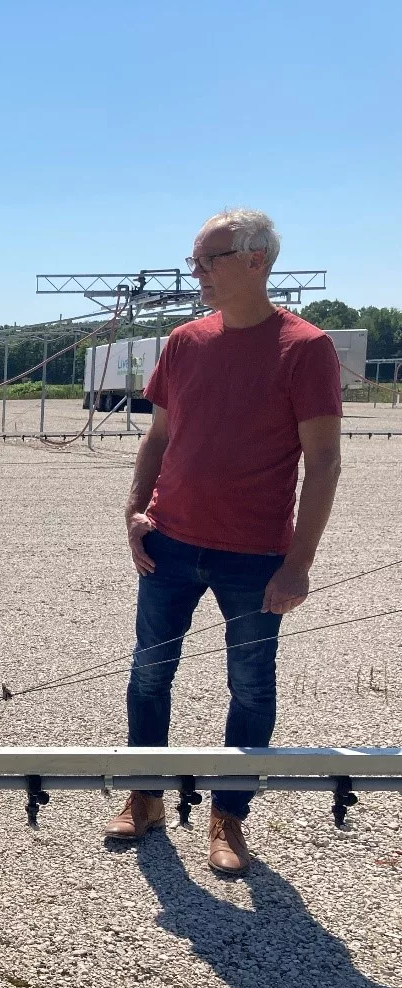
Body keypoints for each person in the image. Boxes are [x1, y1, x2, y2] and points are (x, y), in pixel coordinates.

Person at [108, 209, 343, 875]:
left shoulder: (304, 348)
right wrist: (133, 510)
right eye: (195, 259)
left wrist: (298, 563)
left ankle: (227, 815)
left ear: (255, 262)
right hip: (169, 543)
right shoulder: (183, 343)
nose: (196, 272)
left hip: (254, 554)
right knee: (148, 674)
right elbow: (157, 436)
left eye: (208, 259)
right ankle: (145, 796)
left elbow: (322, 461)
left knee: (248, 683)